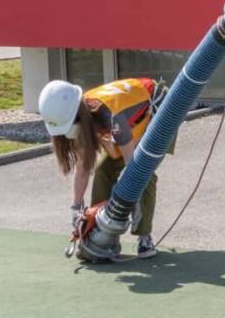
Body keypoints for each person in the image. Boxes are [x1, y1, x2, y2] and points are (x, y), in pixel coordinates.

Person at [39, 76, 168, 258]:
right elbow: (83, 166)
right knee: (103, 170)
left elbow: (132, 164)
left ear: (76, 116)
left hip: (158, 110)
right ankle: (100, 231)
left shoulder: (110, 115)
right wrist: (76, 207)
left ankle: (144, 237)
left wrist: (132, 199)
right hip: (127, 120)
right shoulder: (83, 115)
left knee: (143, 173)